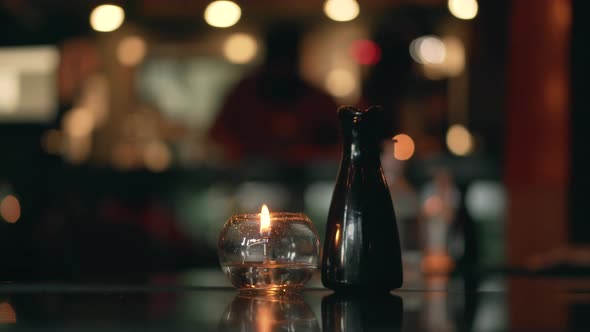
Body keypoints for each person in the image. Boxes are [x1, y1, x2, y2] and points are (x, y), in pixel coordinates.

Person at [209, 22, 340, 164]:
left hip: (307, 177)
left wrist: (309, 153)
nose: (282, 70)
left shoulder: (318, 100)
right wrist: (242, 152)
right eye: (278, 61)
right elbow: (218, 134)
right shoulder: (244, 94)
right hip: (250, 176)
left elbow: (339, 140)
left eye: (287, 61)